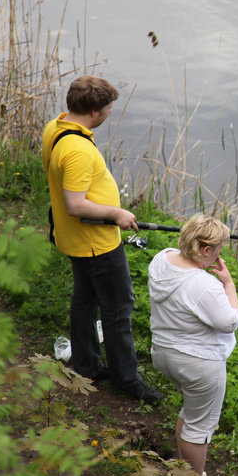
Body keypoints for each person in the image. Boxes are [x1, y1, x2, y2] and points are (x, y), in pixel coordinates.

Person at [42, 75, 163, 405]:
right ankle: (126, 379)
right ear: (95, 111)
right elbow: (75, 203)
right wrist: (117, 215)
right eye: (109, 108)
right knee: (118, 309)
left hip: (73, 238)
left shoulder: (57, 126)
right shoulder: (78, 149)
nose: (111, 113)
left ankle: (86, 364)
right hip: (95, 243)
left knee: (85, 301)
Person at [147, 214, 238, 476]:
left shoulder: (162, 259)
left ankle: (183, 471)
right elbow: (229, 321)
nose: (219, 256)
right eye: (218, 250)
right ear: (205, 250)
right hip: (198, 364)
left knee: (191, 413)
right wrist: (228, 283)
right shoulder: (204, 286)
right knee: (200, 425)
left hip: (165, 354)